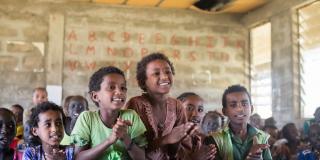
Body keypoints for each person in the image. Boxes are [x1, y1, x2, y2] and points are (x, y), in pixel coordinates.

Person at [126, 53, 197, 160]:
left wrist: (180, 137)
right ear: (143, 81)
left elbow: (175, 153)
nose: (164, 77)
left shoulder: (177, 106)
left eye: (168, 72)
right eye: (156, 73)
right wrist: (166, 139)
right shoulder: (136, 104)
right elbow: (130, 147)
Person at [71, 66, 147, 160]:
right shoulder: (87, 119)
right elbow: (78, 158)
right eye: (111, 87)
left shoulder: (131, 116)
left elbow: (141, 158)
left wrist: (125, 138)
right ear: (95, 96)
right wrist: (109, 141)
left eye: (123, 88)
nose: (119, 92)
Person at [205, 84, 271, 160]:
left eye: (244, 104)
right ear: (225, 111)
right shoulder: (215, 139)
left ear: (251, 108)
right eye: (233, 105)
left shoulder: (262, 137)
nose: (240, 109)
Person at [176, 92, 216, 160]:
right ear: (176, 111)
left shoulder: (204, 141)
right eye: (189, 108)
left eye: (200, 110)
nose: (196, 114)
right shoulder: (169, 141)